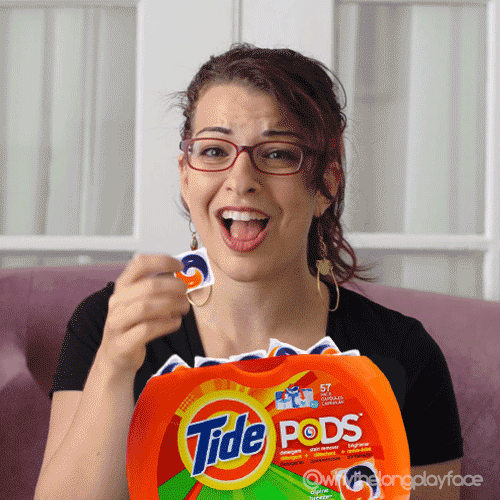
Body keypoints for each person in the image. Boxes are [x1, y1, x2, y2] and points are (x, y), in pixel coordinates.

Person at [35, 44, 463, 500]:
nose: (240, 180)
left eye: (277, 154)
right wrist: (115, 367)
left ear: (326, 185)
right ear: (186, 178)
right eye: (214, 150)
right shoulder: (110, 325)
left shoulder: (402, 352)